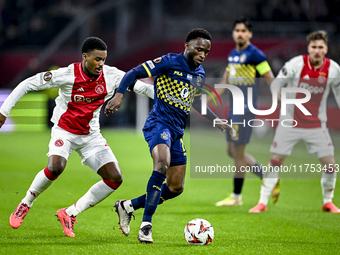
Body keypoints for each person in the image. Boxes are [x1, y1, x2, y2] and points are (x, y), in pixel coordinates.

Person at [0, 37, 154, 237]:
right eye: (97, 59)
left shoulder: (111, 75)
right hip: (64, 131)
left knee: (115, 179)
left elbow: (142, 87)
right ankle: (25, 204)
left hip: (91, 136)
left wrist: (168, 99)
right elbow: (27, 84)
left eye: (104, 59)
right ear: (85, 57)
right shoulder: (67, 74)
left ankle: (70, 213)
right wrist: (4, 111)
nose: (101, 64)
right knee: (56, 167)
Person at [105, 28, 235, 243]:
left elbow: (194, 101)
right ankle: (146, 225)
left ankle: (127, 206)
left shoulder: (199, 74)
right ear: (187, 46)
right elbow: (133, 72)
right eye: (199, 49)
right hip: (158, 124)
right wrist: (119, 95)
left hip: (176, 131)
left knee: (175, 187)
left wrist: (215, 119)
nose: (203, 55)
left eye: (207, 52)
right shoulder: (168, 62)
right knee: (161, 165)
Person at [249, 30, 340, 213]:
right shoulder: (296, 64)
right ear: (308, 48)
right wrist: (279, 94)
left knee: (330, 164)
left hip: (316, 124)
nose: (316, 50)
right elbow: (276, 83)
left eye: (320, 47)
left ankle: (327, 202)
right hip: (290, 122)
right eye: (313, 47)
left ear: (326, 49)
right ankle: (262, 202)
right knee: (275, 161)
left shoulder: (333, 69)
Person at [208, 17, 278, 207]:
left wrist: (280, 97)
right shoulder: (232, 55)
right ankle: (268, 177)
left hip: (246, 110)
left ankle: (236, 197)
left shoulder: (256, 55)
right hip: (233, 109)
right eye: (237, 30)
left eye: (243, 31)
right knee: (231, 151)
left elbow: (270, 78)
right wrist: (206, 100)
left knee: (238, 154)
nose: (240, 33)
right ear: (233, 33)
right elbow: (224, 83)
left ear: (249, 34)